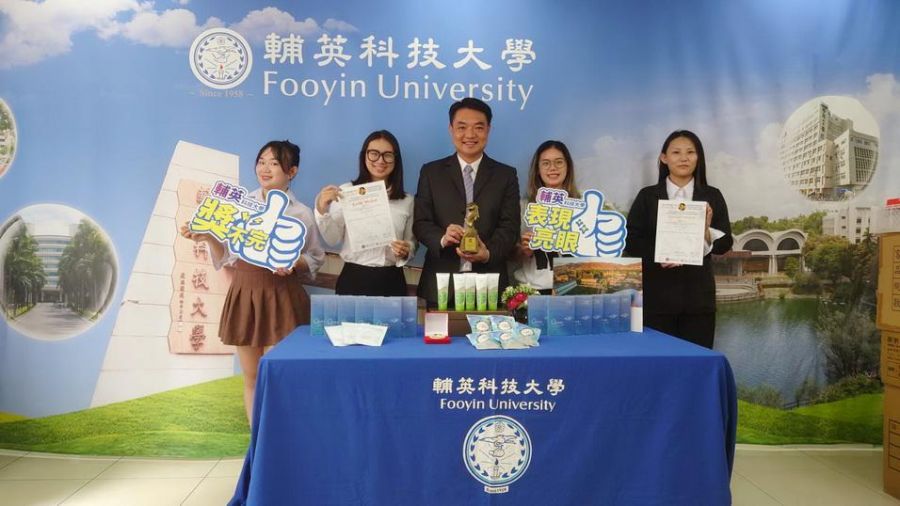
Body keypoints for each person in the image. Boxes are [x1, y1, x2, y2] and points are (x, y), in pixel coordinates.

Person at [181, 140, 324, 422]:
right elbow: (226, 257)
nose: (265, 168)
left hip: (281, 295)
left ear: (292, 171)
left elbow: (316, 258)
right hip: (245, 292)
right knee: (252, 376)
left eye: (274, 163)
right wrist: (208, 236)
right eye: (261, 162)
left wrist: (294, 263)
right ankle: (257, 439)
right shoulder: (239, 206)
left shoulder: (301, 213)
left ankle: (279, 437)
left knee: (276, 374)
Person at [624, 130, 732, 349]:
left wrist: (705, 231)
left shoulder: (712, 196)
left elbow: (724, 244)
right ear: (664, 158)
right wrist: (662, 254)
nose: (684, 158)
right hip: (656, 299)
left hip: (698, 301)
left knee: (697, 362)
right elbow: (631, 241)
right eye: (676, 152)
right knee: (658, 361)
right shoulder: (647, 196)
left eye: (690, 152)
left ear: (698, 157)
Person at [414, 98, 521, 307]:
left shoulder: (505, 175)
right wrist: (443, 238)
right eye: (462, 127)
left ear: (488, 130)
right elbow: (421, 223)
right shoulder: (431, 172)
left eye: (478, 127)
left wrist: (487, 253)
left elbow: (509, 227)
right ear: (451, 129)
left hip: (490, 284)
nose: (470, 135)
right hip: (441, 285)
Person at [314, 130, 416, 296]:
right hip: (353, 278)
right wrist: (322, 209)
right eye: (374, 154)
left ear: (396, 159)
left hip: (392, 280)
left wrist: (406, 249)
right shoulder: (346, 192)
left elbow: (411, 242)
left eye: (388, 155)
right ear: (364, 156)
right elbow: (332, 239)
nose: (380, 160)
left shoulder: (407, 200)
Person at [510, 140, 581, 294]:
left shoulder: (583, 207)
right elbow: (511, 254)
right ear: (538, 169)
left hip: (573, 290)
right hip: (534, 290)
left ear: (568, 167)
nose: (553, 168)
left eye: (559, 162)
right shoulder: (524, 207)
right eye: (546, 163)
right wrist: (524, 250)